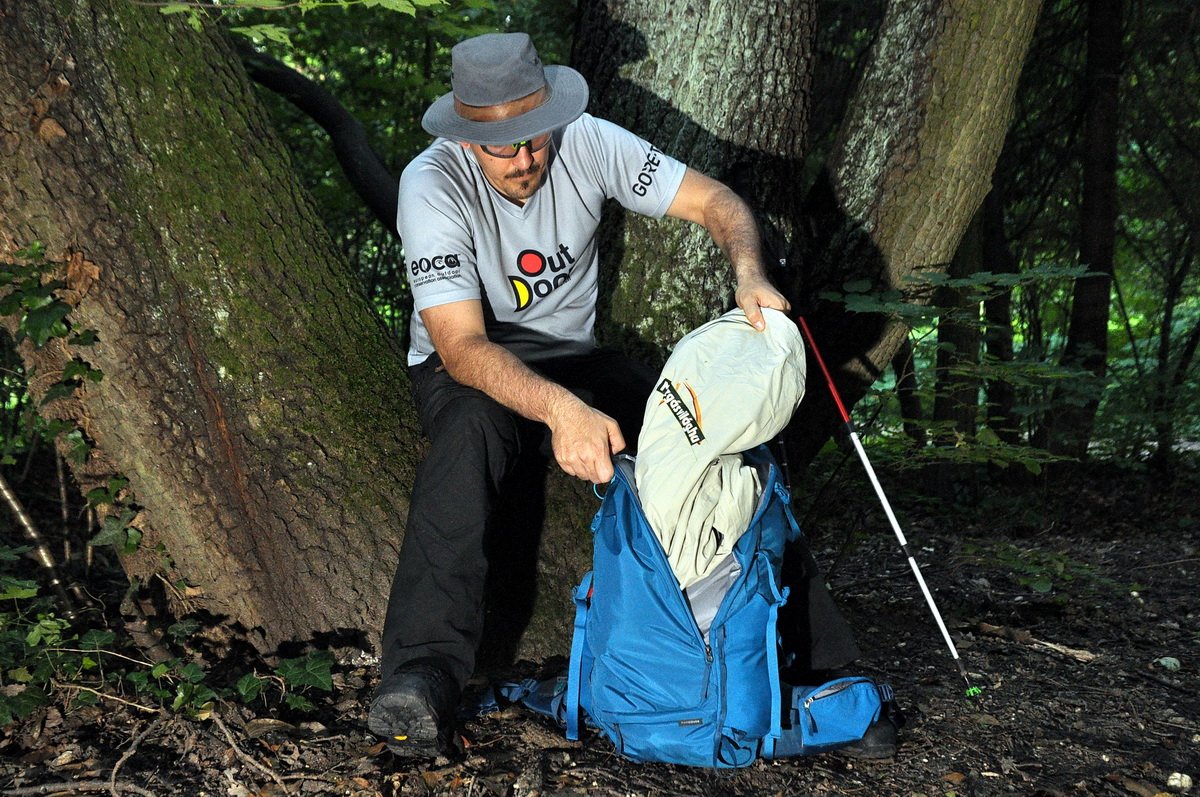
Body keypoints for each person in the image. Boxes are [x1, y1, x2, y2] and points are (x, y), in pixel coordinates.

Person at [370, 31, 822, 758]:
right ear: (463, 136)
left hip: (573, 356)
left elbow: (718, 202)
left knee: (708, 432)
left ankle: (804, 657)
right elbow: (460, 345)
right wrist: (558, 410)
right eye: (503, 148)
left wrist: (748, 272)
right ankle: (422, 672)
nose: (526, 160)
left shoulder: (586, 140)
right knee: (471, 436)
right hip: (473, 360)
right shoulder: (431, 184)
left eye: (535, 138)